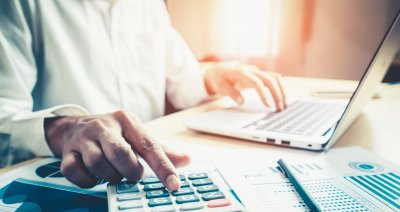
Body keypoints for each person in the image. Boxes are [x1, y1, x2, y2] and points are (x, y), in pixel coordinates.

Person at [0, 1, 286, 191]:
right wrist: (62, 129)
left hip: (151, 178)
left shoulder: (150, 5)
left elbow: (183, 81)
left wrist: (213, 76)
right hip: (71, 184)